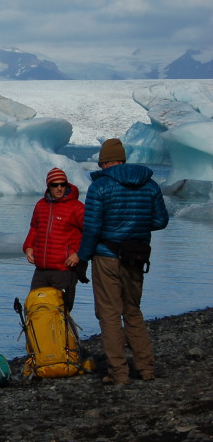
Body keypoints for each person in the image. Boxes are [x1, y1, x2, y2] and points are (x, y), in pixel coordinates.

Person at [78, 138, 169, 385]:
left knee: (109, 314)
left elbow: (92, 227)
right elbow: (161, 220)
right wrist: (136, 230)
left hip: (106, 256)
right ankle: (146, 368)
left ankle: (119, 372)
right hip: (136, 256)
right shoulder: (149, 185)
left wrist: (82, 257)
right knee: (133, 311)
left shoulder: (101, 187)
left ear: (104, 161)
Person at [22, 167, 87, 311]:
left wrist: (78, 254)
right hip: (41, 269)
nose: (59, 188)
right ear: (48, 186)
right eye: (55, 185)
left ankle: (64, 334)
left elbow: (90, 232)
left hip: (64, 269)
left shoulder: (77, 208)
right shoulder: (41, 205)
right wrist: (28, 247)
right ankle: (37, 334)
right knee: (35, 308)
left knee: (60, 311)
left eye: (63, 184)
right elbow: (34, 228)